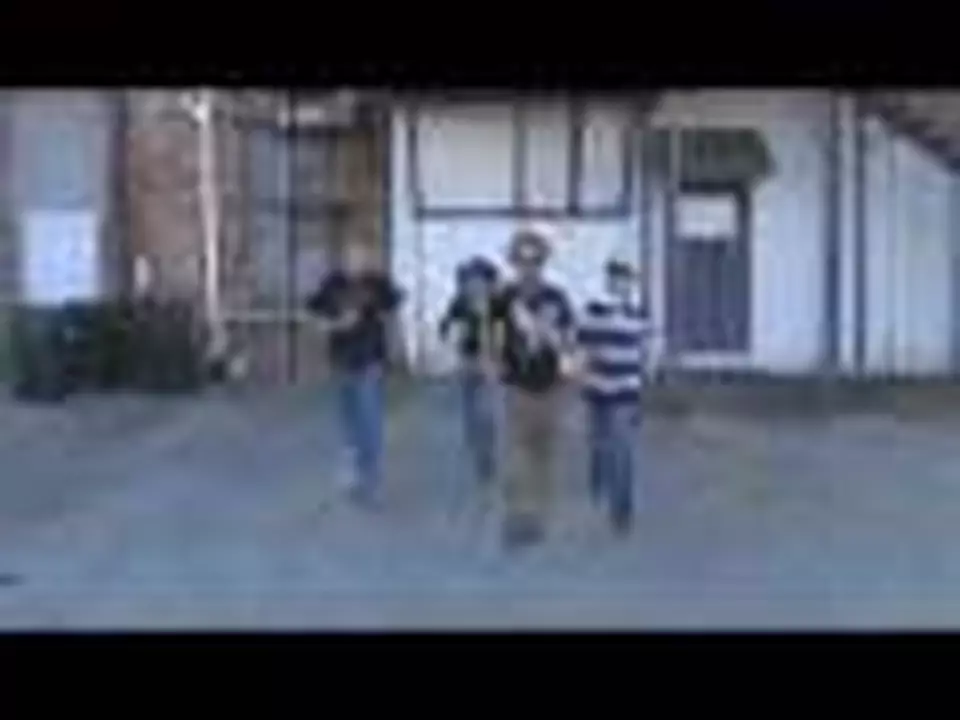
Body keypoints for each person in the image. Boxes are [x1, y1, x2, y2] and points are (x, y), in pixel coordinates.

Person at [489, 228, 576, 550]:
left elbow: (569, 340)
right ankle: (517, 516)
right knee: (516, 454)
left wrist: (551, 337)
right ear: (513, 263)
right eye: (522, 260)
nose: (528, 267)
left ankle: (538, 515)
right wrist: (492, 365)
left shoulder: (557, 297)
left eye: (534, 260)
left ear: (543, 262)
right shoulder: (504, 298)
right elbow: (493, 335)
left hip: (550, 386)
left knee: (543, 454)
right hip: (516, 385)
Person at [306, 244, 404, 509]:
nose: (355, 261)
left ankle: (371, 478)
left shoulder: (377, 284)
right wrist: (334, 325)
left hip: (370, 361)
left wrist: (395, 347)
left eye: (360, 256)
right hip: (342, 362)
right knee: (349, 418)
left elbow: (393, 312)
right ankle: (352, 465)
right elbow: (313, 316)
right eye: (350, 257)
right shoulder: (333, 284)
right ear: (343, 260)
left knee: (370, 419)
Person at [576, 258, 653, 535]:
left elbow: (646, 352)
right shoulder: (593, 312)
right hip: (597, 390)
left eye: (626, 281)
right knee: (599, 444)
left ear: (631, 285)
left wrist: (643, 383)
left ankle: (621, 510)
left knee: (623, 451)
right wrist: (583, 377)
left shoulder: (639, 316)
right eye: (616, 280)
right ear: (609, 283)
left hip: (626, 393)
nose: (621, 285)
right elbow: (582, 349)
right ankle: (597, 480)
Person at [438, 256, 501, 487]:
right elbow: (445, 326)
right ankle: (476, 445)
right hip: (468, 360)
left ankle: (488, 454)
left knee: (488, 412)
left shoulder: (498, 303)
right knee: (470, 411)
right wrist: (453, 332)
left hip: (492, 361)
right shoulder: (461, 303)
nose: (474, 286)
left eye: (479, 281)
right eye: (470, 282)